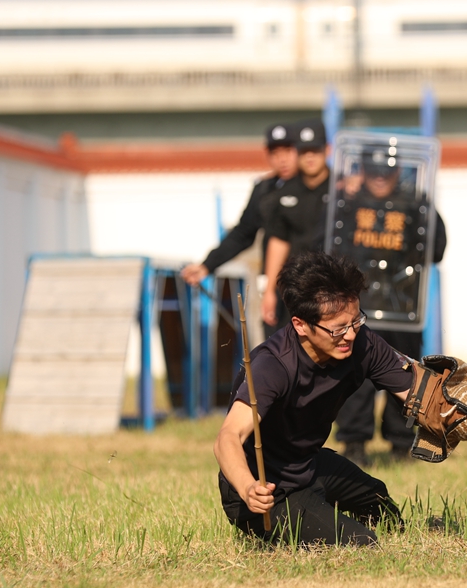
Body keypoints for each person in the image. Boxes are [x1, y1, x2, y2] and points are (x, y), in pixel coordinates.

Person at [214, 251, 412, 546]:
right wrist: (247, 487)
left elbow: (417, 394)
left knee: (382, 507)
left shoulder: (362, 342)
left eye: (356, 321)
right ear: (301, 325)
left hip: (308, 465)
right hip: (268, 491)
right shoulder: (271, 366)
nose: (350, 335)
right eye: (338, 328)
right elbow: (227, 437)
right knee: (361, 543)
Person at [330, 143, 448, 465]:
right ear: (362, 171)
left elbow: (437, 248)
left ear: (398, 172)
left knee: (404, 375)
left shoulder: (414, 205)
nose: (380, 178)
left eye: (387, 172)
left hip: (402, 309)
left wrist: (421, 211)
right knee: (354, 379)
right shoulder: (346, 204)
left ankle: (400, 443)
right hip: (357, 309)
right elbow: (329, 243)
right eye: (373, 171)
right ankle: (354, 444)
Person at [181, 122, 297, 327]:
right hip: (276, 289)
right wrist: (207, 265)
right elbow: (243, 233)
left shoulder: (320, 188)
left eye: (288, 151)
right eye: (275, 153)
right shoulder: (264, 190)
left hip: (315, 287)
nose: (282, 159)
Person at [261, 118, 330, 331]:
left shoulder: (342, 190)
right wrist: (269, 291)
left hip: (333, 290)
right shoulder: (284, 193)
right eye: (303, 151)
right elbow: (278, 242)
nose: (309, 157)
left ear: (327, 150)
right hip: (295, 291)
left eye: (315, 151)